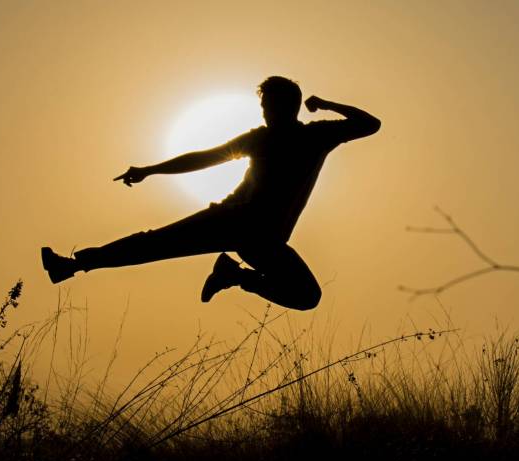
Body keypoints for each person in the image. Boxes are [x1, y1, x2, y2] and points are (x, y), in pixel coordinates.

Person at [41, 76, 380, 310]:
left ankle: (234, 275)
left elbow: (370, 123)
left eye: (268, 106)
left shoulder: (315, 136)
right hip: (230, 221)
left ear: (283, 107)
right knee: (153, 244)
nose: (263, 113)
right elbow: (203, 159)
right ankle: (71, 265)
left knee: (307, 296)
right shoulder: (264, 139)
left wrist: (324, 103)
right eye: (263, 107)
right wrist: (151, 170)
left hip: (263, 240)